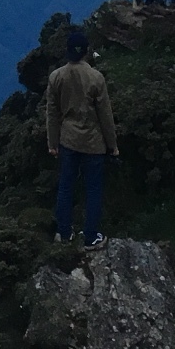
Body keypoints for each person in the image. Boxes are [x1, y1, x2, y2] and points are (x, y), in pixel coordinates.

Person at [45, 28, 118, 248]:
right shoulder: (96, 78)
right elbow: (105, 115)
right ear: (86, 51)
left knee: (66, 186)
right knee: (93, 189)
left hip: (67, 140)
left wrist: (52, 142)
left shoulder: (56, 76)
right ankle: (90, 236)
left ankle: (64, 233)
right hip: (93, 143)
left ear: (67, 52)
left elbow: (52, 112)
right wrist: (112, 145)